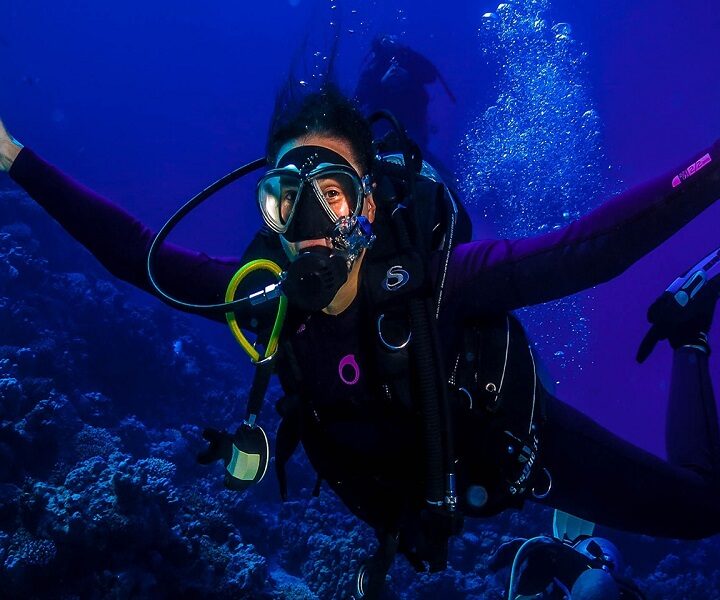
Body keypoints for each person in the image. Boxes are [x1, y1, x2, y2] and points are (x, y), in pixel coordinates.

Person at [2, 82, 720, 593]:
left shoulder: (444, 281)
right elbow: (138, 256)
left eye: (334, 193)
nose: (313, 219)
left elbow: (590, 250)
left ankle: (686, 333)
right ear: (270, 213)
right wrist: (12, 156)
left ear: (369, 206)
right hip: (410, 495)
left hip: (517, 449)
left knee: (699, 512)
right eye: (290, 195)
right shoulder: (263, 299)